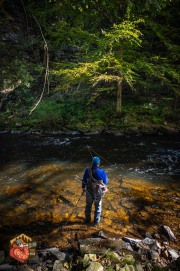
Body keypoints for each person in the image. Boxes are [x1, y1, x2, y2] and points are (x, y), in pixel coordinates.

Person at [82, 156, 108, 226]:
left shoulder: (87, 170)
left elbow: (84, 181)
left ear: (92, 163)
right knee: (98, 207)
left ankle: (87, 220)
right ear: (98, 164)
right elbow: (105, 182)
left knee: (88, 205)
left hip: (89, 190)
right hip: (98, 192)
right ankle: (96, 223)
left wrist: (83, 188)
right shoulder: (102, 172)